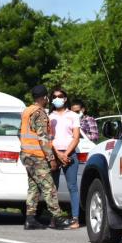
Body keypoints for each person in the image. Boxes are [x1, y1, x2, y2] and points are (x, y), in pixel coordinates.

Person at [19, 85, 71, 230]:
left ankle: (30, 219)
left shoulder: (26, 111)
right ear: (43, 98)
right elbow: (43, 138)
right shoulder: (40, 113)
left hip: (26, 155)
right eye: (47, 97)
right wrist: (51, 158)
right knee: (49, 187)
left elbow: (19, 133)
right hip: (37, 156)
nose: (48, 99)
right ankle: (58, 217)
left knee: (33, 187)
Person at [48, 87, 81, 229]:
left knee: (72, 186)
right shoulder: (49, 116)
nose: (57, 98)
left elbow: (76, 137)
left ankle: (75, 218)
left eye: (60, 96)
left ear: (65, 98)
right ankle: (55, 218)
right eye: (54, 96)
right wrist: (57, 154)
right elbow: (47, 138)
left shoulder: (73, 115)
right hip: (54, 154)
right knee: (52, 187)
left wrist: (66, 154)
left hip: (70, 153)